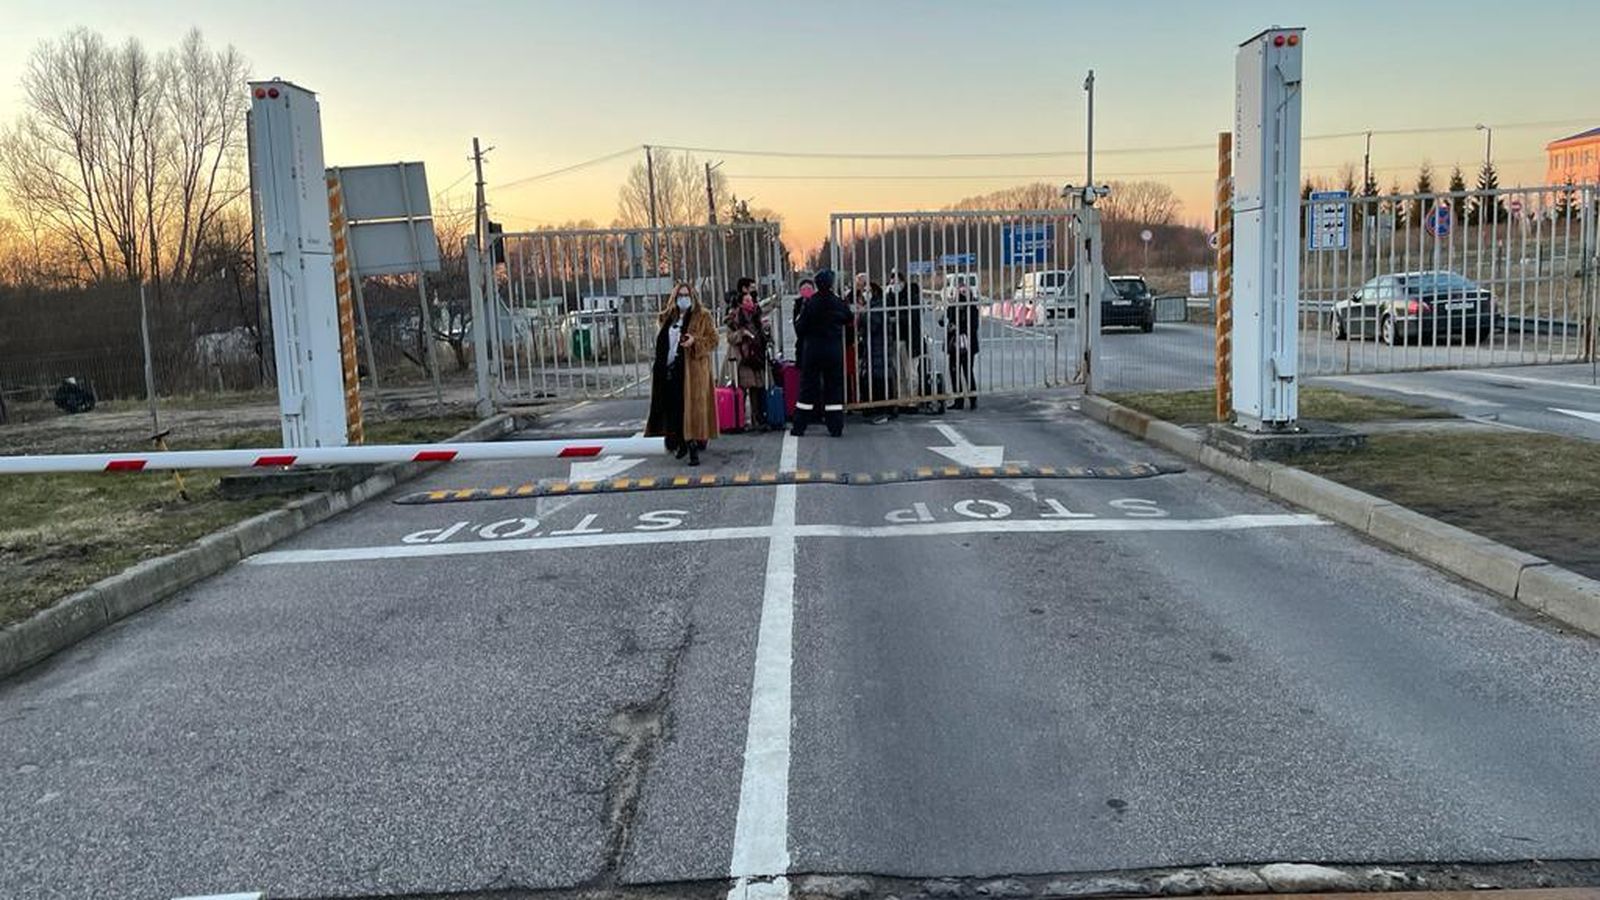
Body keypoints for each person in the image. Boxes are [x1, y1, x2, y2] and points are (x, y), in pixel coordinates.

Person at [645, 283, 720, 466]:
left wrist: (695, 341)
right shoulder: (667, 318)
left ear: (693, 297)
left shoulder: (702, 316)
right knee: (673, 408)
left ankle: (693, 445)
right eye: (680, 295)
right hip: (668, 369)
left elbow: (713, 340)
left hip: (691, 371)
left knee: (689, 409)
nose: (683, 299)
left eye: (686, 295)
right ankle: (679, 441)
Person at [790, 269, 853, 437]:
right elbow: (848, 317)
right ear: (831, 283)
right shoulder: (838, 302)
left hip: (813, 351)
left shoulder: (810, 303)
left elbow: (800, 328)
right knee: (834, 388)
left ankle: (799, 426)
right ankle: (835, 427)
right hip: (833, 350)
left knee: (807, 388)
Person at [726, 281, 772, 429]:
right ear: (740, 302)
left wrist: (766, 331)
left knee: (757, 388)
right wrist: (742, 334)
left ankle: (757, 419)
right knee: (743, 387)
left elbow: (763, 336)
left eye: (751, 300)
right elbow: (730, 337)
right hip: (742, 357)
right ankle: (739, 420)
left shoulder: (756, 315)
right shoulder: (734, 317)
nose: (750, 303)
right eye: (746, 300)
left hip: (756, 356)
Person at [887, 270, 925, 408]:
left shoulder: (911, 296)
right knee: (899, 373)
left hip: (910, 339)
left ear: (902, 282)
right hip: (895, 339)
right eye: (891, 281)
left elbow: (914, 315)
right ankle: (902, 400)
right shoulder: (889, 297)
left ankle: (913, 400)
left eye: (896, 281)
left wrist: (897, 319)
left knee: (911, 372)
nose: (893, 284)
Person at [942, 283, 981, 409]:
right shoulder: (953, 307)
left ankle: (972, 399)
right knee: (954, 372)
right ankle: (958, 400)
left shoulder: (972, 309)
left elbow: (974, 326)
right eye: (959, 292)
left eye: (964, 292)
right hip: (954, 344)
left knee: (967, 371)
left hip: (967, 345)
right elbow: (943, 321)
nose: (961, 295)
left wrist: (958, 328)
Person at [792, 278, 816, 368]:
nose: (806, 292)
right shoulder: (798, 305)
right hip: (803, 344)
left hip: (816, 345)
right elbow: (797, 327)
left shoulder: (818, 303)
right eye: (803, 289)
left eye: (809, 289)